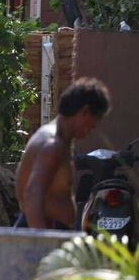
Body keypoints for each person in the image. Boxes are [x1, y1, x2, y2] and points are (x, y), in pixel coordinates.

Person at [15, 78, 110, 229]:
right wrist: (42, 243)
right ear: (84, 112)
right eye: (91, 125)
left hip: (47, 230)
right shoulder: (53, 145)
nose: (90, 131)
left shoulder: (59, 140)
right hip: (41, 231)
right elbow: (32, 195)